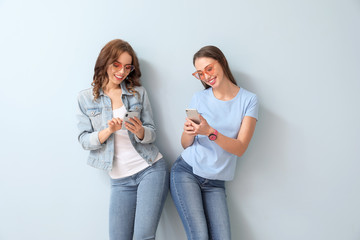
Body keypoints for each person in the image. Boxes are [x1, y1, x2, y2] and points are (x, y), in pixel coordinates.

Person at [77, 39, 169, 240]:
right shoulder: (85, 98)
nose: (122, 72)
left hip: (150, 169)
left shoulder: (138, 93)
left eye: (127, 67)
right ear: (105, 62)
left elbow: (152, 131)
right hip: (119, 181)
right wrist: (107, 131)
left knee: (143, 237)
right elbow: (84, 140)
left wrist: (140, 131)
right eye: (116, 65)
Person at [170, 46, 259, 240]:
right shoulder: (199, 98)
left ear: (222, 62)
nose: (206, 76)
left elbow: (240, 147)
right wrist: (189, 132)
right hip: (187, 172)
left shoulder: (248, 100)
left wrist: (210, 132)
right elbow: (186, 144)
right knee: (199, 236)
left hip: (216, 183)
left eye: (209, 68)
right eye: (200, 73)